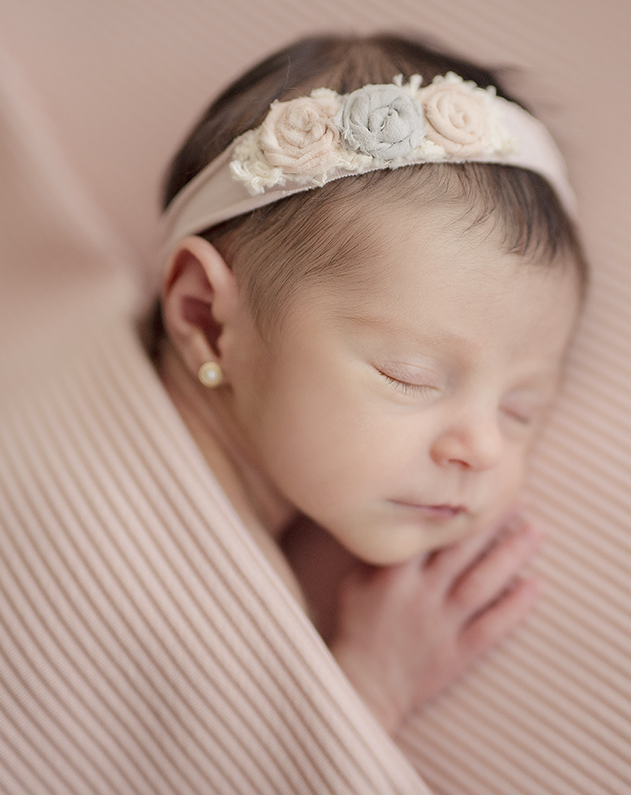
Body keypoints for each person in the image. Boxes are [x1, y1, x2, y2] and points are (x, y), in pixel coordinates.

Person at [151, 33, 588, 734]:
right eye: (408, 376)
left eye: (520, 408)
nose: (482, 448)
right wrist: (363, 696)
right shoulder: (169, 587)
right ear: (205, 320)